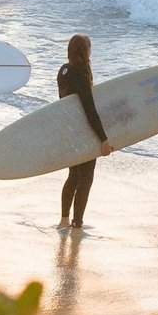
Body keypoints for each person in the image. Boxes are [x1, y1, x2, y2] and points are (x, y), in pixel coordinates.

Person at [56, 32, 112, 231]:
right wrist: (103, 139)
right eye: (88, 47)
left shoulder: (63, 71)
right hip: (84, 133)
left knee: (73, 176)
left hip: (70, 131)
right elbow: (89, 109)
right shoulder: (81, 74)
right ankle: (77, 223)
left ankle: (64, 220)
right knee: (85, 178)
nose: (91, 51)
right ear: (83, 51)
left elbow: (66, 106)